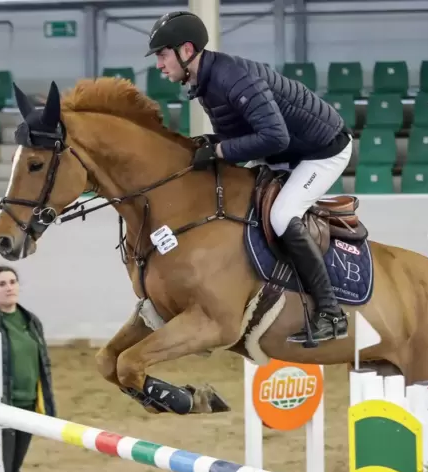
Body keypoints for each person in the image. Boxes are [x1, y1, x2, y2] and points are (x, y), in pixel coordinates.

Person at [144, 11, 352, 346]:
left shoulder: (232, 77)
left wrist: (220, 151)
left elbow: (275, 137)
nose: (159, 64)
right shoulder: (205, 82)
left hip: (321, 151)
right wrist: (210, 145)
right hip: (285, 154)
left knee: (282, 216)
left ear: (186, 50)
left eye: (162, 54)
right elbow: (238, 135)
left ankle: (330, 312)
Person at [0, 265, 56, 472]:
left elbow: (43, 366)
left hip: (28, 408)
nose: (9, 288)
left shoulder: (31, 321)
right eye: (2, 284)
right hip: (1, 410)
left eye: (12, 282)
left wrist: (47, 405)